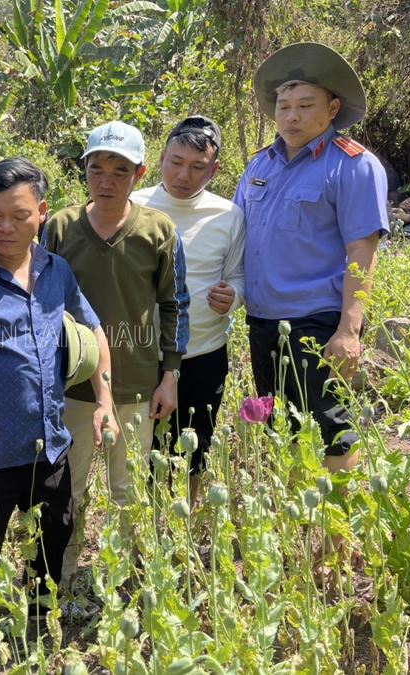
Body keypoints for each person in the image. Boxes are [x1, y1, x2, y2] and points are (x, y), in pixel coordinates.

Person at [0, 157, 116, 668]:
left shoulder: (58, 272)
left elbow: (95, 331)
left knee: (53, 542)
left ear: (42, 213)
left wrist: (104, 400)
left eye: (17, 215)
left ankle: (40, 624)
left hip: (50, 445)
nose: (4, 228)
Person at [42, 121, 190, 582]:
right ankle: (59, 576)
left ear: (140, 173)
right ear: (83, 170)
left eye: (119, 171)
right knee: (69, 488)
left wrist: (170, 375)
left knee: (127, 488)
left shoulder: (158, 231)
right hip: (73, 388)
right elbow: (40, 304)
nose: (106, 180)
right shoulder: (59, 228)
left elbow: (174, 305)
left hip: (136, 385)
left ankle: (124, 578)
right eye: (97, 169)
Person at [232, 42, 389, 474]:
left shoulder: (352, 165)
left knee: (329, 427)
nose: (292, 116)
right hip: (263, 321)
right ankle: (301, 526)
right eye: (284, 106)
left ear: (332, 107)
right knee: (280, 426)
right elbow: (236, 234)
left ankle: (336, 532)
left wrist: (348, 330)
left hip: (317, 322)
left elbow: (362, 250)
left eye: (305, 105)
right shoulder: (258, 166)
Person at [132, 115, 245, 504]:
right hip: (144, 354)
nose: (184, 175)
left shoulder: (228, 215)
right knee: (144, 452)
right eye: (176, 162)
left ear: (214, 169)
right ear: (161, 157)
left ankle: (188, 521)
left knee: (195, 446)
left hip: (204, 352)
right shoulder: (134, 204)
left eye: (198, 167)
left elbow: (239, 275)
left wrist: (235, 295)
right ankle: (147, 529)